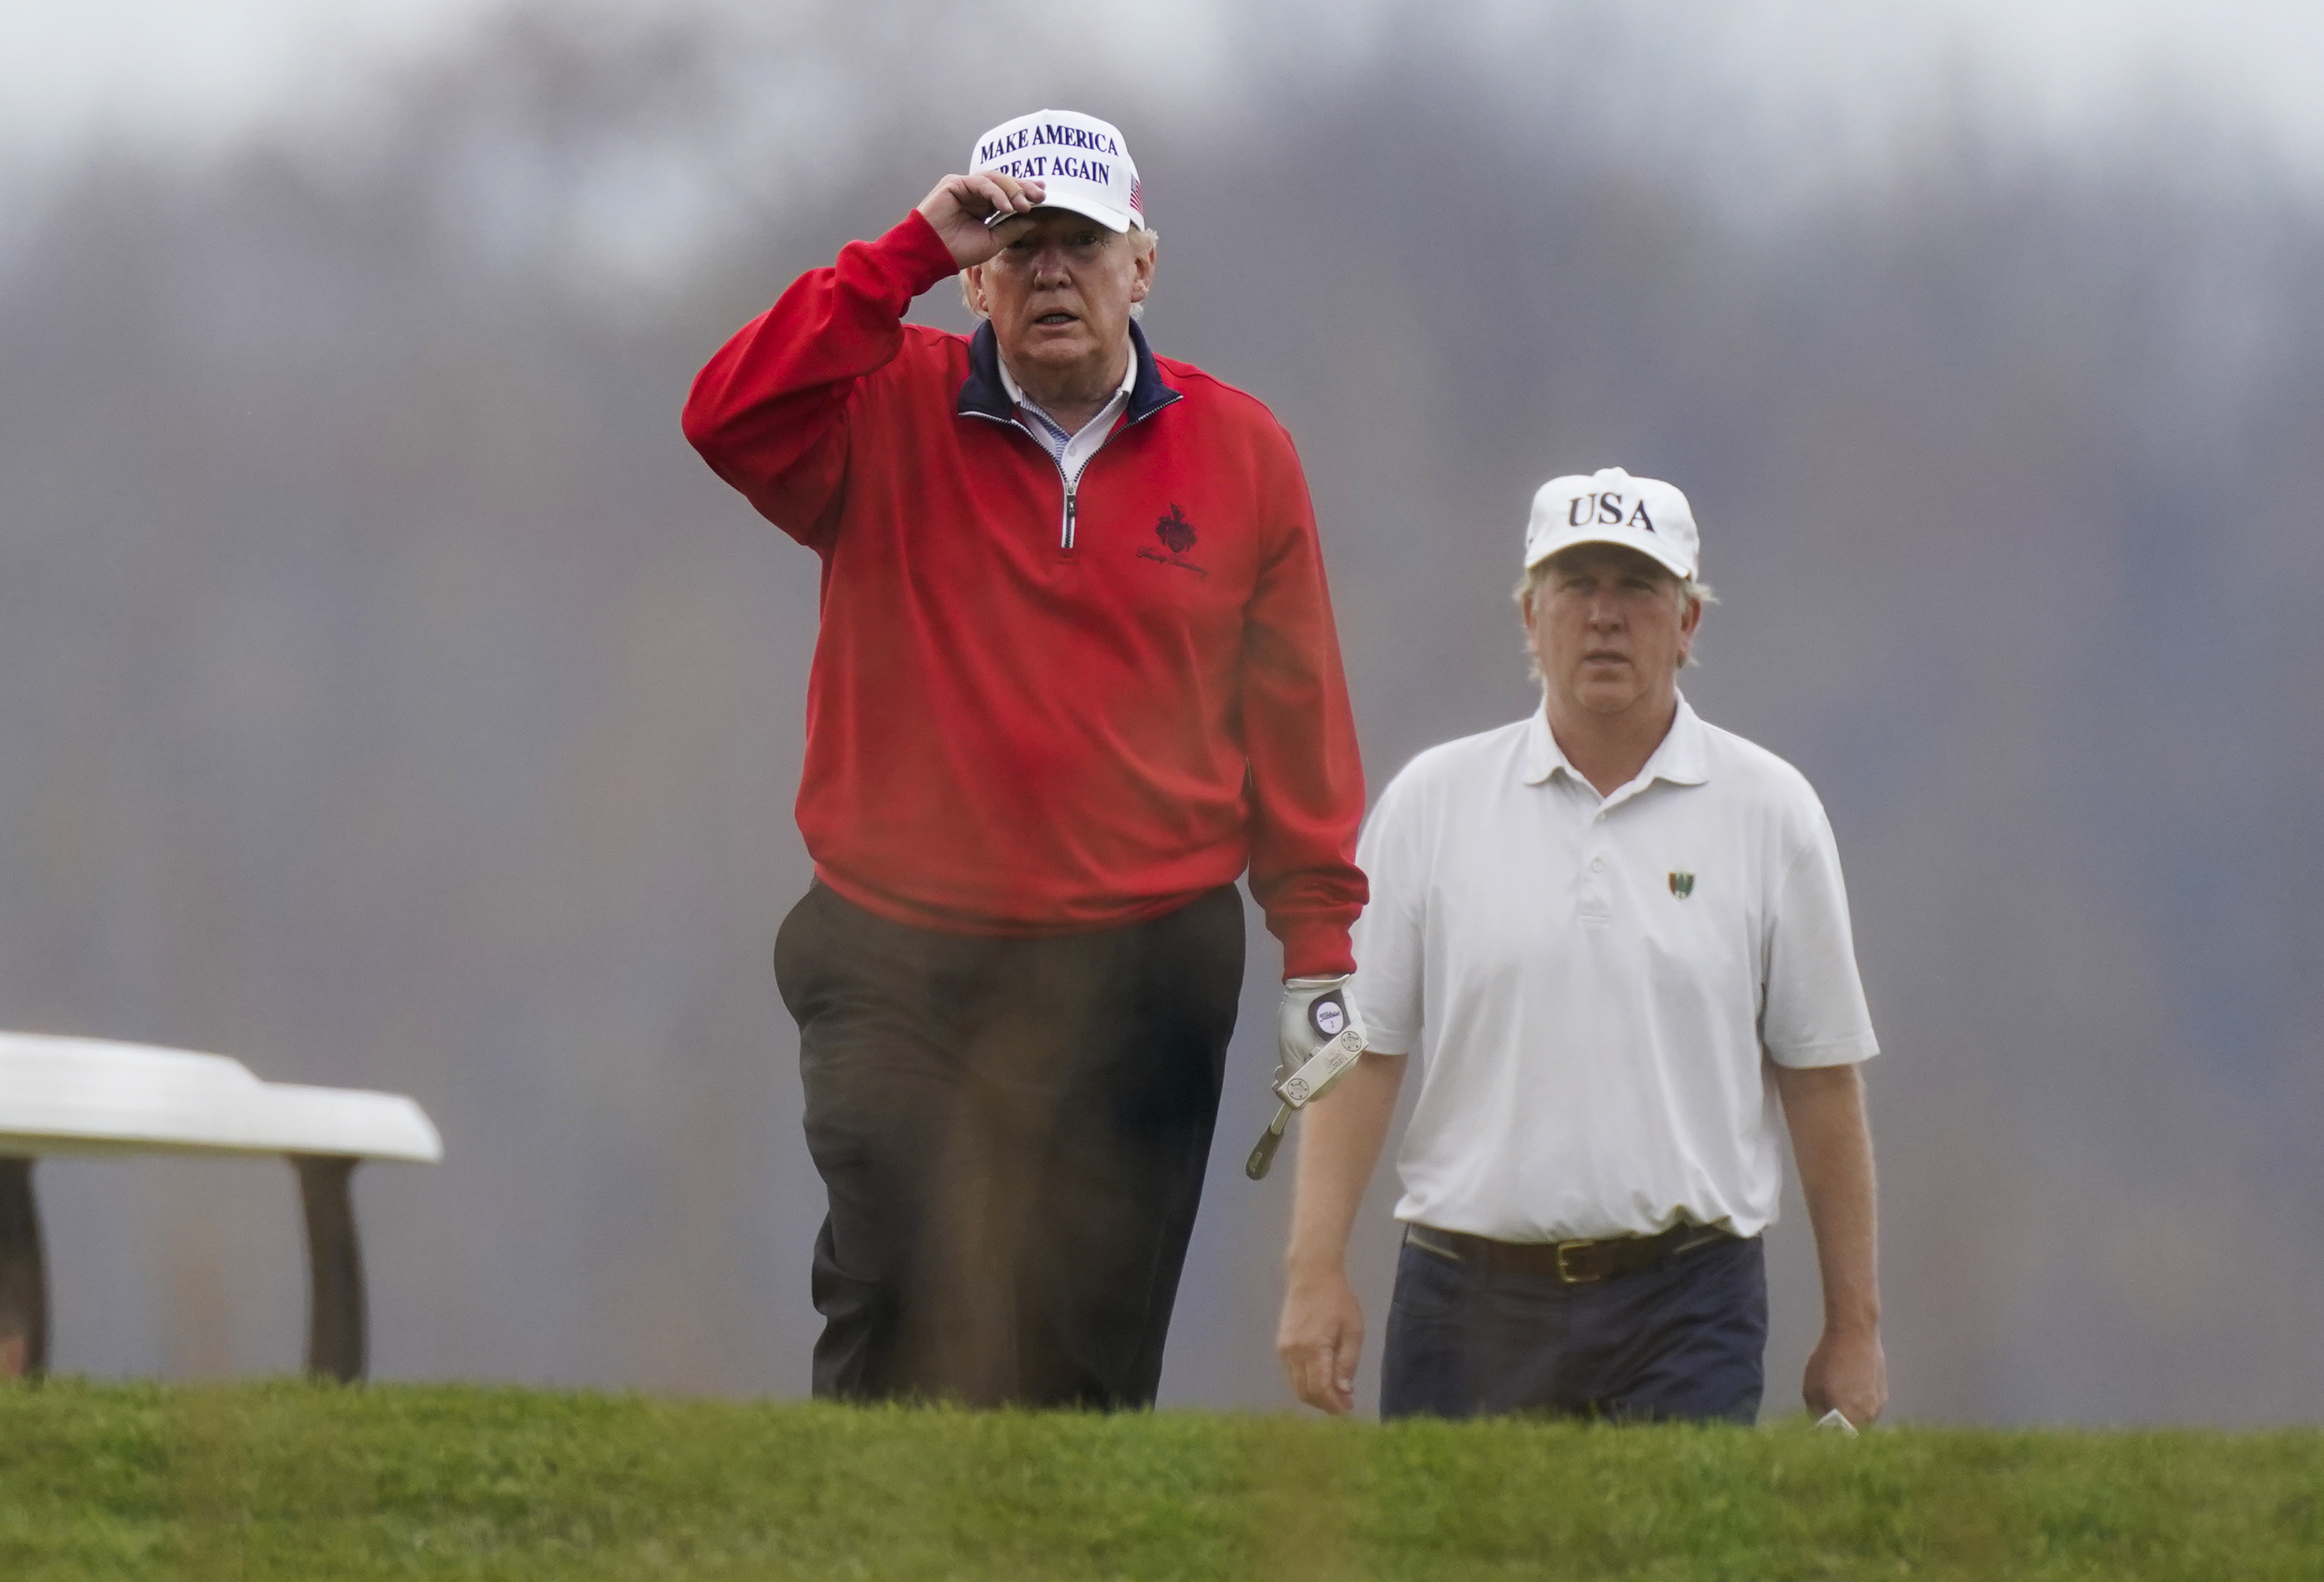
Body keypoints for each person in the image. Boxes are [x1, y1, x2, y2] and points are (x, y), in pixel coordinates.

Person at [682, 110, 1367, 1409]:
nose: (1053, 271)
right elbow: (724, 416)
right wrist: (897, 257)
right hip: (894, 951)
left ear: (1140, 267)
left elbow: (1294, 713)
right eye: (1018, 242)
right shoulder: (884, 407)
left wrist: (1318, 943)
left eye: (1083, 243)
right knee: (893, 1300)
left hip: (1141, 960)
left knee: (1084, 1358)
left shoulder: (1241, 451)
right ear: (976, 276)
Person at [1274, 467, 1886, 1426]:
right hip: (1463, 1296)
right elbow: (1363, 1053)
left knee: (1668, 1574)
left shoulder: (1772, 813)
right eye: (1575, 586)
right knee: (1450, 1576)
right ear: (1530, 616)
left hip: (1688, 1303)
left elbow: (1819, 1078)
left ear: (1687, 624)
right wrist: (1314, 1273)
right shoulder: (1433, 803)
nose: (1604, 617)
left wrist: (1854, 1325)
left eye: (1637, 588)